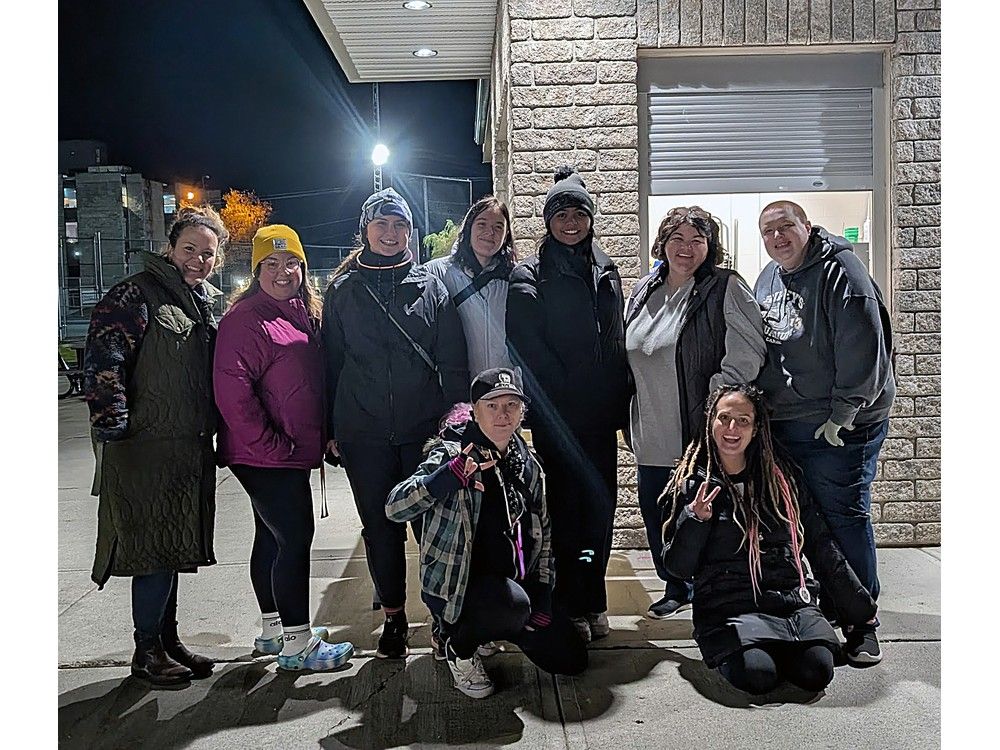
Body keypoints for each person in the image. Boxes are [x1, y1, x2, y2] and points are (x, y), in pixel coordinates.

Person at [322, 187, 469, 659]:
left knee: (432, 526)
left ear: (411, 231)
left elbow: (453, 360)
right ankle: (393, 618)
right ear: (365, 229)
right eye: (382, 224)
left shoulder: (431, 286)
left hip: (423, 432)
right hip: (362, 432)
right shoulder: (343, 290)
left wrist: (456, 418)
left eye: (400, 224)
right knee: (380, 528)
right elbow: (330, 363)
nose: (391, 233)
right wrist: (330, 428)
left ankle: (442, 616)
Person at [83, 206, 228, 688]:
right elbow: (105, 359)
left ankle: (168, 640)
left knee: (173, 544)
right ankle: (147, 650)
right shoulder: (135, 292)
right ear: (170, 247)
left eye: (208, 253)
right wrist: (114, 424)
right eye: (189, 249)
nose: (198, 260)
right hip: (142, 445)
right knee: (151, 550)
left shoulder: (201, 300)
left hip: (185, 446)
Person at [661, 384, 877, 695]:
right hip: (729, 607)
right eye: (724, 418)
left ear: (756, 428)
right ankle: (761, 653)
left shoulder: (781, 478)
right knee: (758, 675)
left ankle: (782, 647)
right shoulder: (692, 483)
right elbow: (678, 569)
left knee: (817, 671)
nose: (732, 428)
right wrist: (695, 521)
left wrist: (861, 611)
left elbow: (819, 544)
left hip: (788, 602)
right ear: (711, 422)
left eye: (743, 420)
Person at [387, 368, 587, 698]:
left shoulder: (527, 464)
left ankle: (496, 627)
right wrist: (445, 478)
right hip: (458, 588)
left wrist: (542, 592)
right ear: (475, 410)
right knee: (511, 606)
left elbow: (545, 532)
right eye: (491, 405)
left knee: (571, 659)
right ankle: (458, 645)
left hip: (514, 587)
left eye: (511, 405)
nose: (502, 414)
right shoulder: (452, 453)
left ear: (523, 412)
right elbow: (395, 507)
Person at [754, 200, 895, 664]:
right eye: (768, 230)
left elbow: (863, 349)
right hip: (788, 423)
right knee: (806, 519)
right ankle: (832, 603)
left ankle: (862, 621)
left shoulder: (842, 272)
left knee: (844, 516)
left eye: (786, 227)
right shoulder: (769, 278)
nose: (778, 237)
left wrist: (843, 414)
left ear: (806, 227)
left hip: (840, 425)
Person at [213, 224, 354, 672]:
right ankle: (298, 645)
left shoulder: (299, 311)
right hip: (266, 453)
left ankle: (274, 631)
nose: (282, 270)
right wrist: (271, 445)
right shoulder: (245, 319)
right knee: (295, 539)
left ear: (302, 267)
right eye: (270, 263)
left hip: (285, 451)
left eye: (291, 261)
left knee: (271, 539)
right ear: (256, 270)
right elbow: (232, 392)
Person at [506, 167, 632, 643]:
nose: (571, 222)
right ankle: (569, 604)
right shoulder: (530, 274)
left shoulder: (605, 269)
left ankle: (592, 596)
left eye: (579, 212)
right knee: (565, 513)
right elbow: (527, 348)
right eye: (561, 214)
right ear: (548, 220)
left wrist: (619, 404)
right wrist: (563, 399)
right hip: (558, 420)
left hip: (600, 418)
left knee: (600, 512)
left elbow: (615, 341)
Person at [625, 207, 765, 619]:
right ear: (662, 244)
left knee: (703, 516)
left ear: (710, 246)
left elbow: (748, 351)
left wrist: (716, 404)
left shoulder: (724, 288)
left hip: (697, 430)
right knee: (658, 516)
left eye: (697, 240)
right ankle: (675, 586)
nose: (686, 249)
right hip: (650, 430)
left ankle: (712, 594)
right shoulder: (645, 290)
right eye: (677, 239)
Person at [425, 195, 516, 375]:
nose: (490, 233)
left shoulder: (516, 278)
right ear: (468, 228)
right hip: (457, 390)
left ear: (506, 235)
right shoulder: (435, 274)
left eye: (498, 227)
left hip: (504, 392)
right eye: (482, 224)